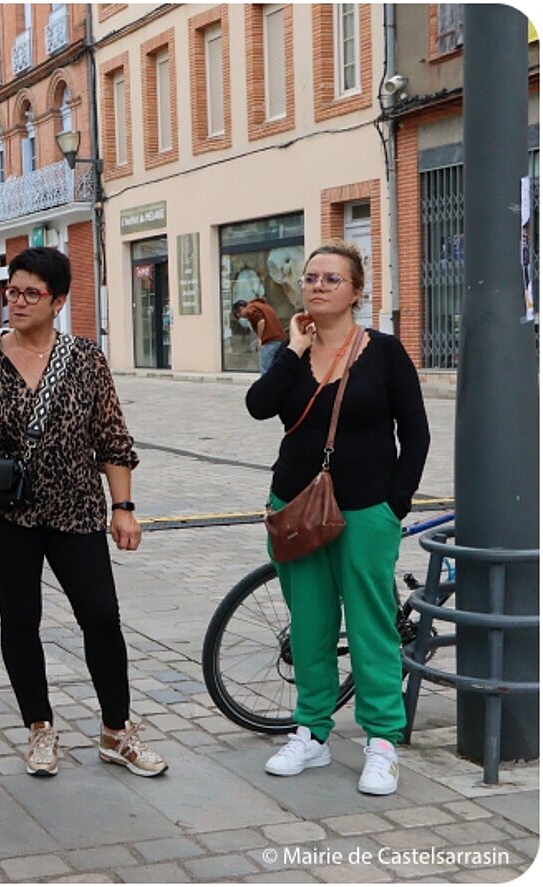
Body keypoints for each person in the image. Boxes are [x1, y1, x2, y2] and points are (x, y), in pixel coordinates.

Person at [0, 247, 168, 781]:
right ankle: (39, 728)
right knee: (21, 620)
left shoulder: (85, 359)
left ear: (58, 301)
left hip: (77, 510)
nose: (17, 302)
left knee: (101, 618)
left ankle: (117, 731)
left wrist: (125, 508)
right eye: (11, 292)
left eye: (30, 294)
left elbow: (112, 437)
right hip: (5, 516)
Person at [246, 239, 429, 796]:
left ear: (355, 291)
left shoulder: (385, 352)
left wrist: (393, 506)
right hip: (295, 507)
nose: (318, 286)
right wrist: (294, 348)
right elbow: (260, 406)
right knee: (310, 627)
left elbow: (415, 434)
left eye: (331, 279)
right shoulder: (292, 353)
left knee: (371, 625)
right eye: (311, 278)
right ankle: (312, 732)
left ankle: (381, 742)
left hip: (368, 508)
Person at [233, 296, 288, 374]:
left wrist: (259, 338)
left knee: (266, 371)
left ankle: (267, 386)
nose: (244, 318)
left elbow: (261, 321)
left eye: (241, 315)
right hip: (279, 340)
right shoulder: (261, 305)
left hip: (269, 341)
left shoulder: (250, 308)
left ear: (241, 308)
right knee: (277, 370)